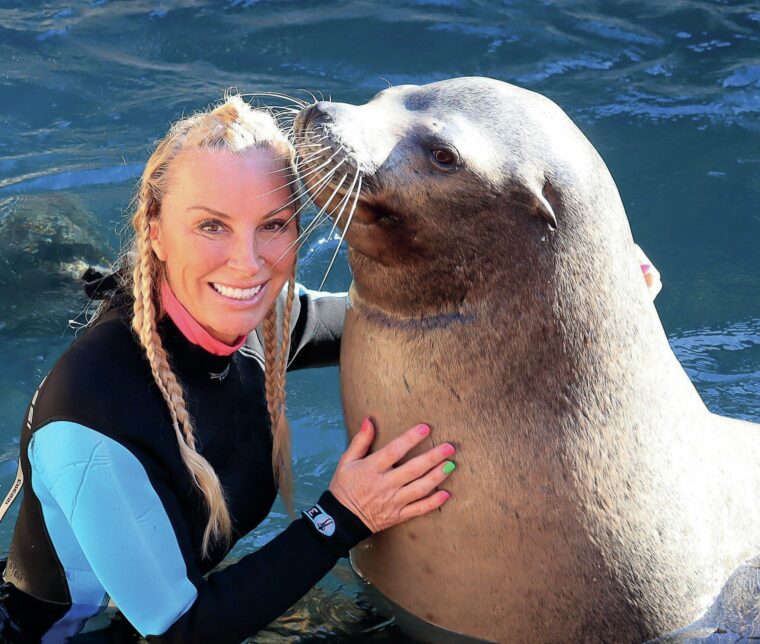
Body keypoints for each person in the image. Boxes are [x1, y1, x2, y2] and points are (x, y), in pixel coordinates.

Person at [0, 96, 457, 643]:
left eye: (272, 224)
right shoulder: (92, 415)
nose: (248, 261)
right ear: (155, 231)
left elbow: (381, 319)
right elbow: (179, 632)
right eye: (212, 226)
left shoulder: (258, 322)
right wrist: (343, 515)